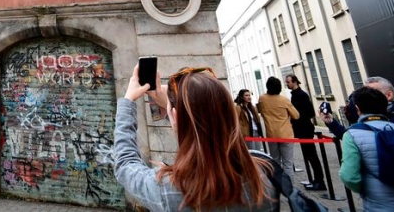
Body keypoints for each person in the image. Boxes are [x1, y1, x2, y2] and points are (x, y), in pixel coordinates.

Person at [108, 64, 277, 211]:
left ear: (174, 117)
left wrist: (128, 100)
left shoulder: (167, 191)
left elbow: (125, 164)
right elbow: (202, 123)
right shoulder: (266, 174)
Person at [338, 86, 394, 211]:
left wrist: (364, 189)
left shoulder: (352, 134)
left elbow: (349, 176)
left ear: (357, 109)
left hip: (377, 203)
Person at [320, 76, 394, 139]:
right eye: (365, 92)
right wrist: (331, 123)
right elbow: (353, 137)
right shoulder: (363, 116)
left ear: (389, 95)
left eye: (372, 92)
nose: (365, 97)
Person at [285, 75, 325, 191]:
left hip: (305, 129)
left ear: (295, 82)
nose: (287, 84)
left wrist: (298, 118)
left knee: (312, 156)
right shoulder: (294, 95)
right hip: (300, 129)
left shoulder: (301, 95)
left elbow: (310, 112)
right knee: (308, 156)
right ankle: (315, 180)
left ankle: (320, 181)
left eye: (288, 82)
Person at [257, 76, 299, 175]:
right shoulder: (284, 100)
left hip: (271, 134)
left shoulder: (262, 98)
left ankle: (277, 187)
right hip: (286, 135)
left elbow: (260, 110)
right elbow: (296, 116)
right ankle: (289, 188)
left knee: (275, 162)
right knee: (288, 164)